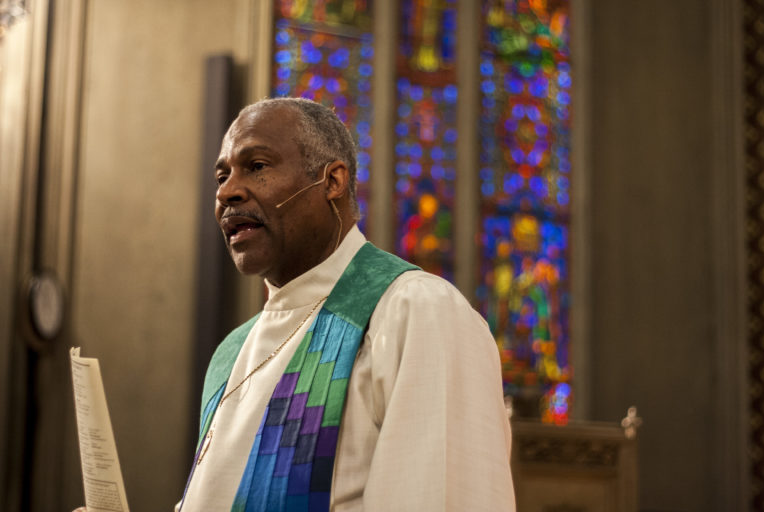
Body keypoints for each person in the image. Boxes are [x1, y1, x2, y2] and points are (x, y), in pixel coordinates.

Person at [176, 97, 516, 511]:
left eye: (258, 167)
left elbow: (443, 497)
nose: (228, 191)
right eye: (222, 175)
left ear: (331, 181)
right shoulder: (231, 355)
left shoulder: (415, 312)